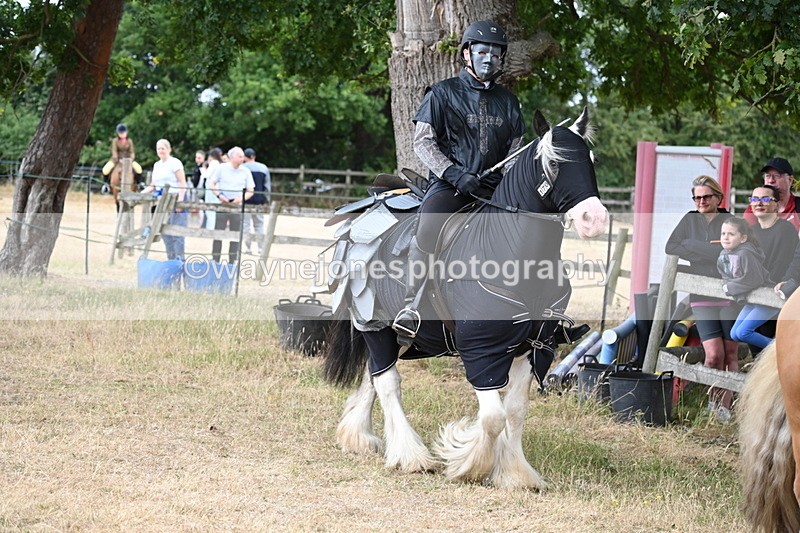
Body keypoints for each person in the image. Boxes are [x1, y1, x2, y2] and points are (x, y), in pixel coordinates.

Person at [392, 20, 526, 340]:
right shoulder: (441, 93)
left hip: (494, 189)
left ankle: (536, 309)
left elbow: (516, 149)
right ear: (466, 54)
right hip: (450, 184)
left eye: (495, 54)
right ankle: (410, 305)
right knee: (428, 225)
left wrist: (509, 181)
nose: (489, 59)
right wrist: (454, 174)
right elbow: (422, 143)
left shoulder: (509, 102)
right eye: (482, 51)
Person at [665, 175, 735, 422]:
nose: (702, 201)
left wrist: (693, 245)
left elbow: (730, 251)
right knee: (714, 354)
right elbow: (670, 247)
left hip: (730, 297)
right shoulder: (689, 219)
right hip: (701, 294)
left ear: (718, 197)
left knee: (730, 354)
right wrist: (711, 251)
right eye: (697, 197)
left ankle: (725, 406)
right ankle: (711, 402)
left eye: (707, 196)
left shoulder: (730, 220)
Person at [730, 186, 799, 354]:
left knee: (744, 332)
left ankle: (786, 350)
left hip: (774, 292)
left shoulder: (785, 229)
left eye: (765, 199)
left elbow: (783, 263)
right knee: (735, 334)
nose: (758, 203)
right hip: (755, 293)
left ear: (777, 205)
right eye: (754, 199)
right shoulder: (752, 232)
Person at [140, 139, 187, 260]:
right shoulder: (157, 165)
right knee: (165, 233)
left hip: (175, 198)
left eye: (163, 148)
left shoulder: (175, 163)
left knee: (177, 232)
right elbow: (153, 185)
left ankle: (180, 260)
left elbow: (182, 182)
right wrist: (140, 194)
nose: (160, 151)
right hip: (162, 201)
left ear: (168, 149)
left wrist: (180, 202)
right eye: (158, 148)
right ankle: (171, 260)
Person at [208, 146, 254, 263]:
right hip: (222, 204)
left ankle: (232, 260)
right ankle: (215, 259)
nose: (242, 159)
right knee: (218, 232)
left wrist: (240, 199)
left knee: (235, 234)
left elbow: (251, 190)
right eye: (240, 156)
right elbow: (212, 183)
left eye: (243, 156)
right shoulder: (221, 168)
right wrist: (219, 195)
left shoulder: (245, 171)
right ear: (232, 157)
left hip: (237, 206)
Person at [743, 157, 800, 231]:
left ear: (790, 180)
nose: (771, 180)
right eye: (767, 176)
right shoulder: (755, 209)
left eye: (777, 176)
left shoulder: (797, 207)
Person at [102, 123, 143, 210]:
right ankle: (106, 186)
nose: (122, 134)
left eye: (123, 132)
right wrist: (117, 159)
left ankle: (139, 184)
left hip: (128, 160)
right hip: (116, 159)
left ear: (126, 132)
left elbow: (132, 152)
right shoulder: (115, 141)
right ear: (118, 133)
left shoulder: (130, 141)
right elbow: (114, 151)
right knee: (105, 169)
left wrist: (130, 159)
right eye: (120, 133)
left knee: (139, 169)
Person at [243, 147, 271, 255]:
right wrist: (266, 199)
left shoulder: (243, 168)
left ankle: (248, 248)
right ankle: (260, 248)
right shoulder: (263, 168)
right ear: (254, 156)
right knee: (259, 224)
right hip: (259, 200)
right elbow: (267, 186)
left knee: (246, 225)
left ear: (245, 157)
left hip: (246, 200)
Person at [202, 147, 224, 230]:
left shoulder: (214, 163)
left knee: (210, 208)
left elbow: (207, 174)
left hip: (211, 188)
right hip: (217, 187)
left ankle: (210, 227)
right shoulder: (220, 164)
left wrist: (204, 169)